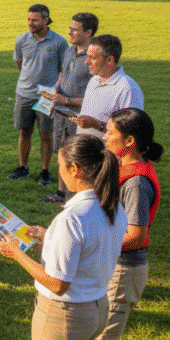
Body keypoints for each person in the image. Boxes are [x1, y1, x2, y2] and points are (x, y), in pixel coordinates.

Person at [0, 135, 127, 340]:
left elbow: (57, 284)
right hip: (97, 309)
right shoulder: (112, 205)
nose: (59, 171)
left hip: (65, 316)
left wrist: (15, 253)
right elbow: (92, 248)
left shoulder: (73, 217)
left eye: (60, 165)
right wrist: (49, 237)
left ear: (75, 169)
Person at [92, 108, 163, 340]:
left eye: (110, 132)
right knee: (99, 337)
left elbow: (135, 236)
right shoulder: (123, 166)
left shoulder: (136, 183)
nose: (104, 136)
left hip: (124, 269)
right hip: (112, 263)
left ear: (130, 140)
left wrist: (93, 241)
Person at [41, 13, 98, 204]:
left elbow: (95, 96)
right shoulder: (68, 51)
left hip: (79, 119)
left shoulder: (93, 57)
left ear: (88, 32)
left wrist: (66, 100)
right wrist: (54, 90)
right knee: (62, 153)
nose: (69, 32)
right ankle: (60, 192)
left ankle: (79, 196)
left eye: (75, 29)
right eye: (70, 27)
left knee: (78, 157)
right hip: (60, 114)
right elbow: (62, 75)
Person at [9, 4, 68, 186]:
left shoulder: (59, 42)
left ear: (45, 20)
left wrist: (53, 88)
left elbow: (63, 70)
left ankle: (44, 171)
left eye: (34, 20)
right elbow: (21, 64)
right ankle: (23, 167)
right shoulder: (22, 40)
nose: (30, 23)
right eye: (29, 19)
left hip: (46, 96)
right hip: (24, 94)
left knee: (46, 135)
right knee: (24, 132)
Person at [70, 35, 144, 138]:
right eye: (87, 56)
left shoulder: (128, 89)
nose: (86, 62)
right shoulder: (94, 80)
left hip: (107, 153)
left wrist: (95, 124)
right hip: (86, 150)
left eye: (93, 58)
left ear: (109, 60)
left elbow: (132, 131)